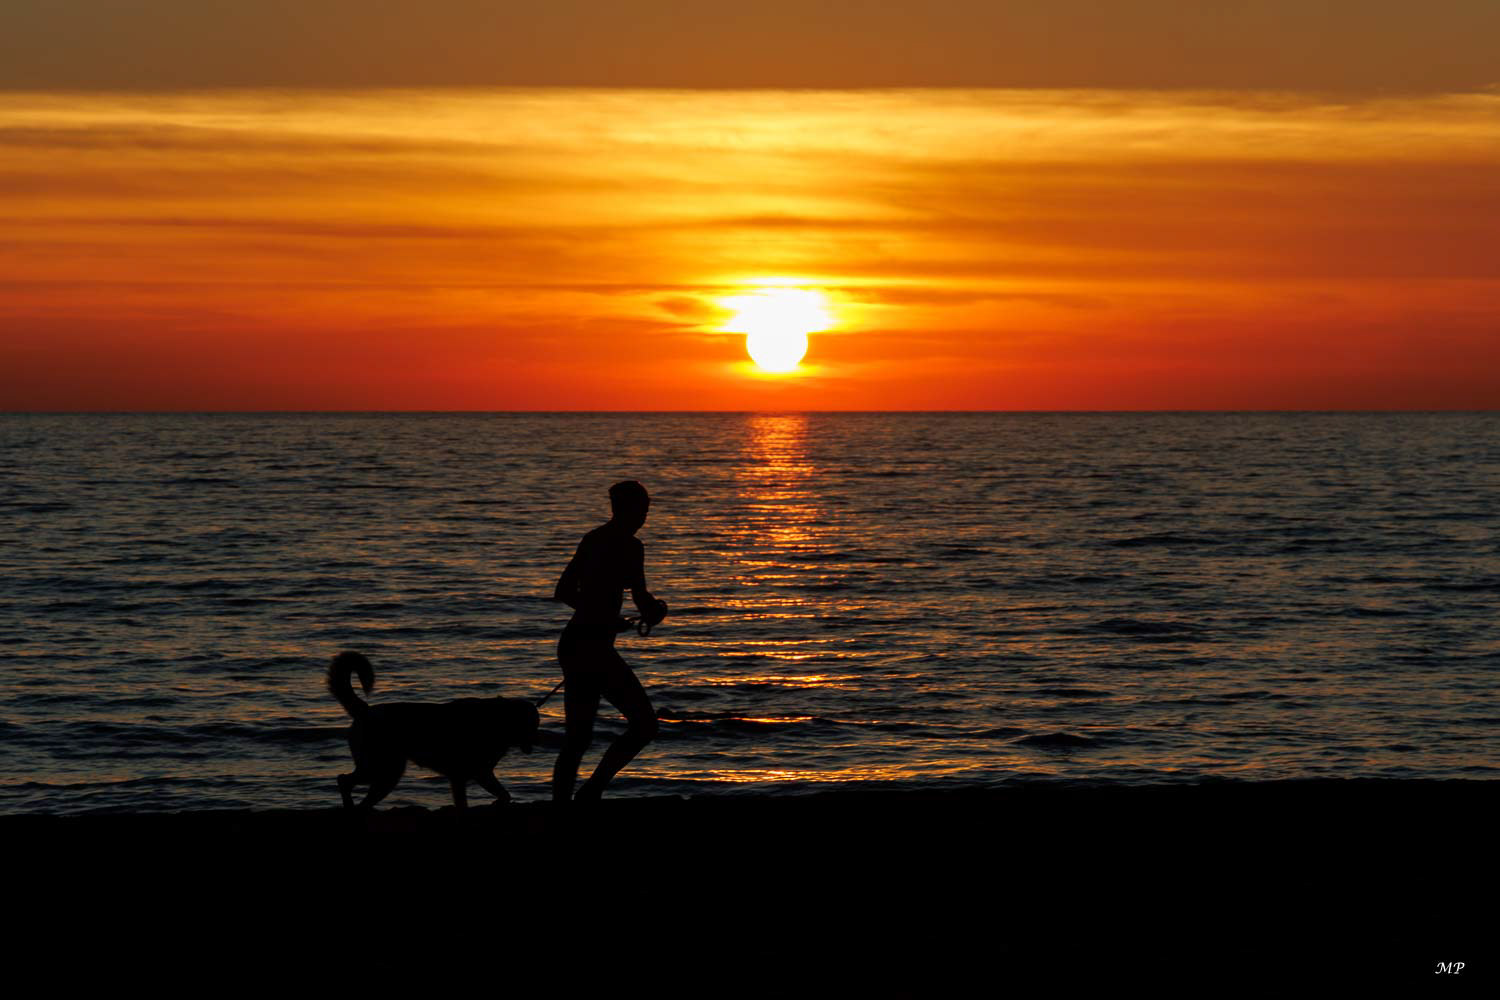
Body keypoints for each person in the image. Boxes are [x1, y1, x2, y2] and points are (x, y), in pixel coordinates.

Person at [550, 480, 668, 802]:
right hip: (586, 646)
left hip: (585, 645)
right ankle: (585, 795)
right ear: (623, 509)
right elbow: (564, 591)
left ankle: (574, 800)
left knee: (580, 737)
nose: (644, 516)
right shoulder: (611, 544)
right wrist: (608, 617)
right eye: (641, 509)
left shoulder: (618, 544)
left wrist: (654, 611)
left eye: (646, 510)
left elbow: (641, 598)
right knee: (641, 725)